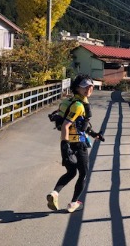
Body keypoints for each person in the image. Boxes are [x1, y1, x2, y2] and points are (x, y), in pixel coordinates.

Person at [46, 74, 104, 213]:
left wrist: (93, 134)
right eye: (85, 87)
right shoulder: (79, 105)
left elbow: (80, 124)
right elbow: (66, 125)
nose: (88, 89)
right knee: (83, 173)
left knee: (71, 172)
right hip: (77, 144)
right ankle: (73, 203)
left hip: (69, 143)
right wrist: (65, 146)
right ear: (77, 88)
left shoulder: (69, 102)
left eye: (90, 86)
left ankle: (54, 193)